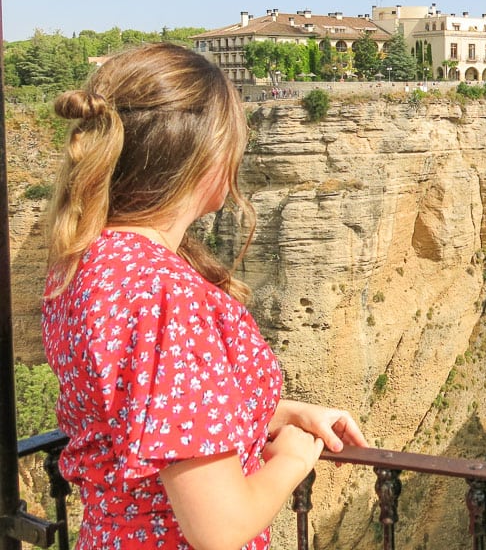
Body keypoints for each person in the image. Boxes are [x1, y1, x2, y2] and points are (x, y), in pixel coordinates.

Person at [41, 43, 368, 550]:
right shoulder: (166, 296)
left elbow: (143, 414)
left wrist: (280, 412)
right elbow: (218, 526)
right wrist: (293, 458)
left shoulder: (86, 261)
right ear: (205, 157)